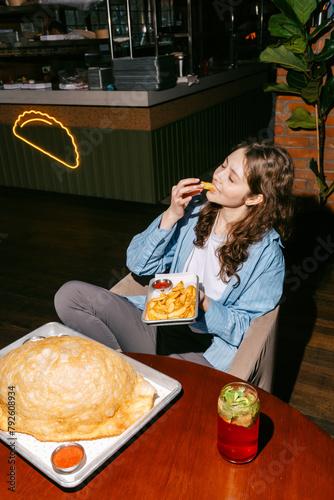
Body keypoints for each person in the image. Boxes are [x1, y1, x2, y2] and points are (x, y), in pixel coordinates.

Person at [54, 139, 294, 372]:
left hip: (204, 348)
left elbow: (247, 328)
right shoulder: (193, 212)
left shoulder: (268, 256)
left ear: (254, 198)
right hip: (157, 324)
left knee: (187, 385)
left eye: (231, 178)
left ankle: (134, 370)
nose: (217, 176)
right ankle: (124, 367)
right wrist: (170, 214)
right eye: (223, 165)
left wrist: (203, 303)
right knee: (69, 296)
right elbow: (138, 264)